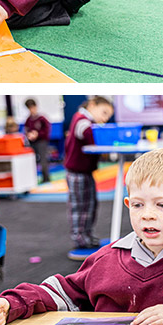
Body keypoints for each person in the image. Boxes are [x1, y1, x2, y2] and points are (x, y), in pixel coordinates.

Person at [0, 149, 163, 325]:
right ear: (128, 204)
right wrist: (11, 302)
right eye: (138, 206)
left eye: (162, 205)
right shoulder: (107, 258)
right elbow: (62, 292)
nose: (148, 216)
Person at [62, 96, 114, 258]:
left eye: (108, 116)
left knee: (90, 205)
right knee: (80, 207)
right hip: (76, 173)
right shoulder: (82, 119)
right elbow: (85, 132)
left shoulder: (88, 121)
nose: (104, 119)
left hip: (85, 172)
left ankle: (87, 235)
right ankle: (80, 238)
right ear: (92, 105)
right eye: (103, 113)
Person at [23, 98, 52, 183]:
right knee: (32, 161)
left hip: (42, 142)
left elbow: (47, 131)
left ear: (35, 107)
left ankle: (46, 179)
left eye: (32, 108)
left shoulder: (42, 119)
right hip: (32, 143)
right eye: (29, 108)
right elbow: (26, 130)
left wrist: (38, 134)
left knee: (43, 160)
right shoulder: (28, 120)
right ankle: (33, 179)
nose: (31, 110)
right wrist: (29, 135)